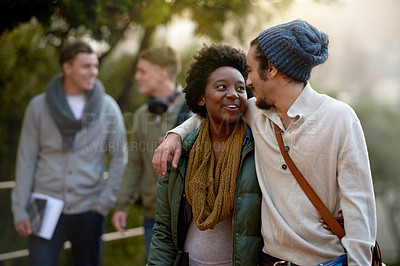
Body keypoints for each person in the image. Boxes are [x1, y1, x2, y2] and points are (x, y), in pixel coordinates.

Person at [152, 19, 377, 265]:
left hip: (327, 260)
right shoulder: (255, 112)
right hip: (268, 261)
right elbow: (211, 113)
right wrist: (175, 136)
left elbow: (360, 208)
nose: (247, 83)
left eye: (249, 70)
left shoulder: (340, 118)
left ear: (271, 69)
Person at [11, 40, 128, 266]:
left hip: (89, 207)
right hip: (42, 205)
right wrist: (20, 209)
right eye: (86, 66)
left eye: (95, 66)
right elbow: (26, 161)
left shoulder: (107, 107)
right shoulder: (38, 106)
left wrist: (103, 203)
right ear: (67, 67)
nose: (93, 72)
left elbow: (119, 158)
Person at [147, 43, 262, 265]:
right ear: (201, 98)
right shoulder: (180, 154)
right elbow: (163, 230)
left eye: (240, 88)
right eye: (221, 87)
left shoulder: (257, 149)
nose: (233, 94)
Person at [111, 46, 191, 257]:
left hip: (189, 221)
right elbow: (135, 164)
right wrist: (122, 205)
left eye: (143, 71)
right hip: (153, 220)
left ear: (162, 74)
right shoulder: (140, 116)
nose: (137, 76)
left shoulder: (194, 111)